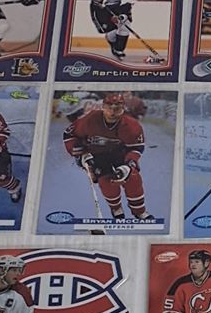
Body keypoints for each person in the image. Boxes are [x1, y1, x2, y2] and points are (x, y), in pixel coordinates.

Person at [62, 91, 151, 223]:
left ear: (123, 109)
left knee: (133, 177)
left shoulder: (132, 125)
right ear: (103, 107)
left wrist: (129, 164)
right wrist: (81, 154)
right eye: (109, 108)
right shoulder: (90, 119)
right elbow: (70, 134)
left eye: (117, 108)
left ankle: (140, 211)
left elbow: (136, 148)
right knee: (105, 180)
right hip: (97, 154)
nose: (113, 112)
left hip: (121, 154)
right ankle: (116, 208)